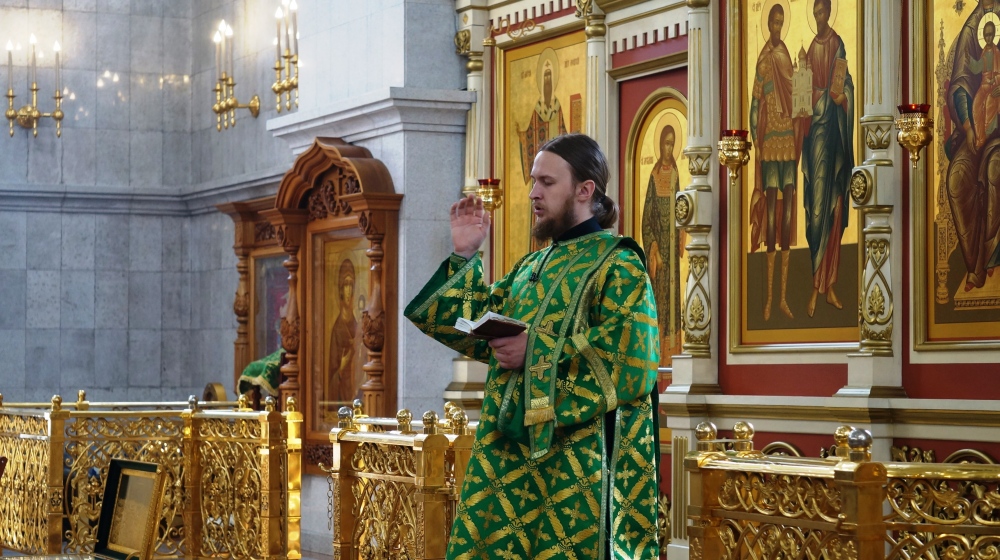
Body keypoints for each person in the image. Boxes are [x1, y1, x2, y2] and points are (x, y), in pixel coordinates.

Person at [405, 134, 661, 559]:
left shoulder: (618, 262)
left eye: (546, 182)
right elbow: (466, 324)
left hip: (576, 465)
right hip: (508, 457)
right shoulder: (530, 267)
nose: (533, 194)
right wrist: (465, 255)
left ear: (585, 190)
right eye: (533, 181)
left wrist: (535, 350)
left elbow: (632, 356)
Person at [801, 0, 854, 317]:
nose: (818, 17)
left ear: (829, 12)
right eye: (815, 14)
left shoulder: (837, 44)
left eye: (821, 13)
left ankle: (829, 284)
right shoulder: (810, 49)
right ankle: (813, 285)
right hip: (815, 140)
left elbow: (846, 84)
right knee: (816, 211)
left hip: (835, 137)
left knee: (835, 208)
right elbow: (802, 93)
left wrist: (842, 95)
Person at [749, 2, 799, 320]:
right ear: (768, 24)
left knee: (788, 217)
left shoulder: (786, 57)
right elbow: (755, 106)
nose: (778, 26)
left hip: (789, 145)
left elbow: (798, 98)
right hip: (769, 146)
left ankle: (782, 298)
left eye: (782, 22)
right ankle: (768, 299)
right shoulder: (763, 61)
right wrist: (756, 140)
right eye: (774, 22)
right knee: (770, 220)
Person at [945, 1, 1000, 292]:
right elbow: (960, 83)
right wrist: (967, 126)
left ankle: (991, 259)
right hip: (977, 126)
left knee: (994, 170)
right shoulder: (971, 29)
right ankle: (974, 267)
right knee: (957, 179)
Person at [642, 124, 682, 355]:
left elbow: (681, 210)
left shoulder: (675, 174)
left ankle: (672, 352)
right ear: (660, 145)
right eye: (666, 143)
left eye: (672, 144)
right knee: (659, 302)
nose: (669, 148)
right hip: (659, 254)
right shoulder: (654, 176)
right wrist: (654, 250)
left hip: (673, 252)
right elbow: (646, 219)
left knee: (673, 303)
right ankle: (657, 354)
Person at [516, 49, 568, 185]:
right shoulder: (537, 108)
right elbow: (529, 134)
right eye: (545, 78)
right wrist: (522, 135)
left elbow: (565, 133)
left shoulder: (558, 106)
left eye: (549, 77)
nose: (547, 81)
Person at [328, 258, 358, 403]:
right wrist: (342, 366)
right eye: (346, 285)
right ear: (340, 289)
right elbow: (331, 377)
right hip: (342, 399)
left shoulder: (357, 324)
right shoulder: (337, 329)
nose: (349, 290)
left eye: (351, 285)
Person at [973, 20, 1000, 150]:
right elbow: (977, 69)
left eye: (990, 34)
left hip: (994, 87)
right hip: (983, 86)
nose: (988, 38)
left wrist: (996, 81)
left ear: (994, 35)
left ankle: (988, 135)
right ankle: (980, 138)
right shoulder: (983, 52)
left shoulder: (997, 53)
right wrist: (968, 60)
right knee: (976, 105)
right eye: (986, 35)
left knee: (989, 102)